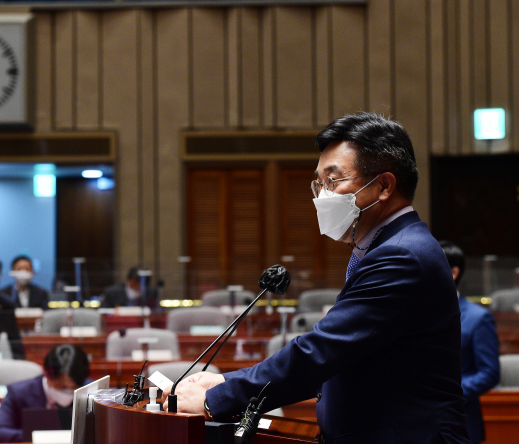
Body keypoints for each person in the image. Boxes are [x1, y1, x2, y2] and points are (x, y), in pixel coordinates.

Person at [163, 112, 470, 443]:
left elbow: (321, 352)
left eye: (333, 181)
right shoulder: (388, 247)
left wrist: (215, 399)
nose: (322, 195)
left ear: (383, 186)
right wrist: (224, 382)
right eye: (319, 183)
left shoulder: (402, 256)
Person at [440, 240, 500, 444]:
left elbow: (489, 372)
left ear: (453, 272)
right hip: (419, 424)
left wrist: (448, 393)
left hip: (461, 423)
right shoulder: (417, 313)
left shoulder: (478, 318)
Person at [0, 344, 90, 442]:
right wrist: (40, 436)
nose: (68, 392)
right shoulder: (19, 393)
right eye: (62, 387)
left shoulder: (91, 391)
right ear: (47, 374)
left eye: (73, 388)